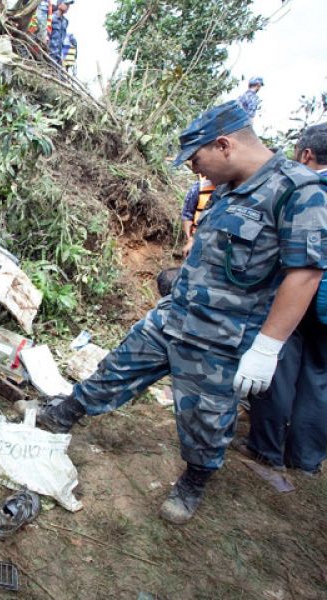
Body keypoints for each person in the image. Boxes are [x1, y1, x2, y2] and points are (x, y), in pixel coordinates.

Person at [23, 101, 327, 524]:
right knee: (117, 367)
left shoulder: (298, 190)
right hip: (174, 316)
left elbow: (306, 273)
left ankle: (194, 480)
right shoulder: (229, 185)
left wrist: (267, 347)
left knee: (206, 420)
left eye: (197, 160)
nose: (195, 172)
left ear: (223, 145)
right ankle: (66, 412)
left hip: (221, 337)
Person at [238, 123, 327, 475]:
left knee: (279, 365)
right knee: (319, 377)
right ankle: (306, 459)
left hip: (307, 298)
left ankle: (266, 448)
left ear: (306, 154)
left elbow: (303, 265)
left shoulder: (309, 190)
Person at [180, 175, 215, 257]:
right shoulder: (198, 187)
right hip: (199, 241)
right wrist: (190, 239)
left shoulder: (237, 188)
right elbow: (187, 214)